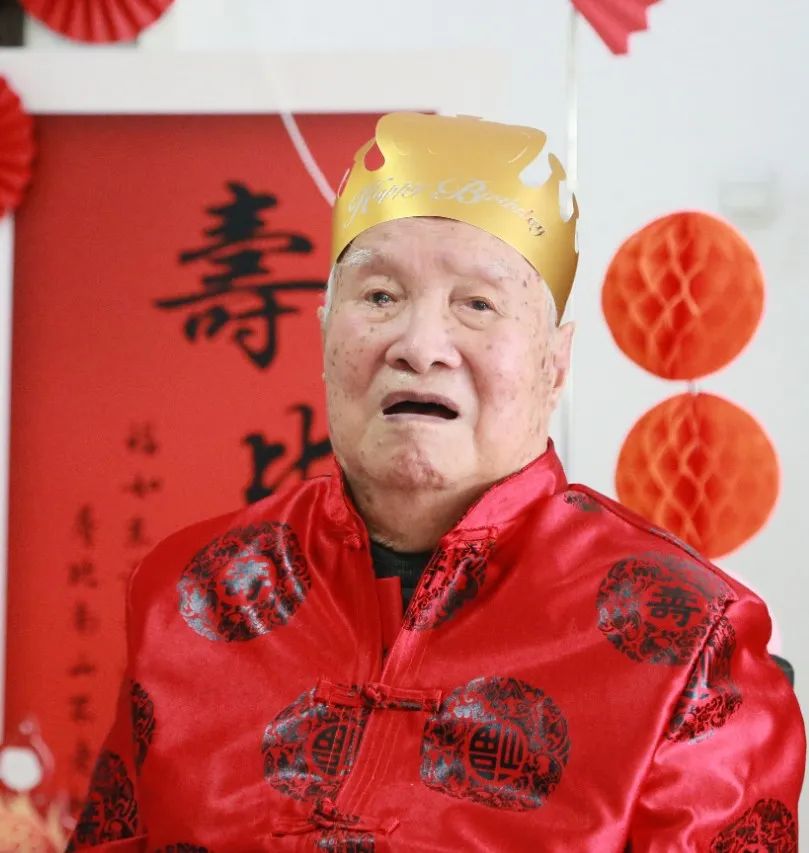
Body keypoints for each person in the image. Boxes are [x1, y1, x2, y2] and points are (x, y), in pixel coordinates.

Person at [67, 112, 805, 852]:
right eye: (380, 297)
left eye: (476, 304)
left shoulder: (691, 641)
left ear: (554, 363)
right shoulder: (193, 590)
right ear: (324, 334)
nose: (420, 347)